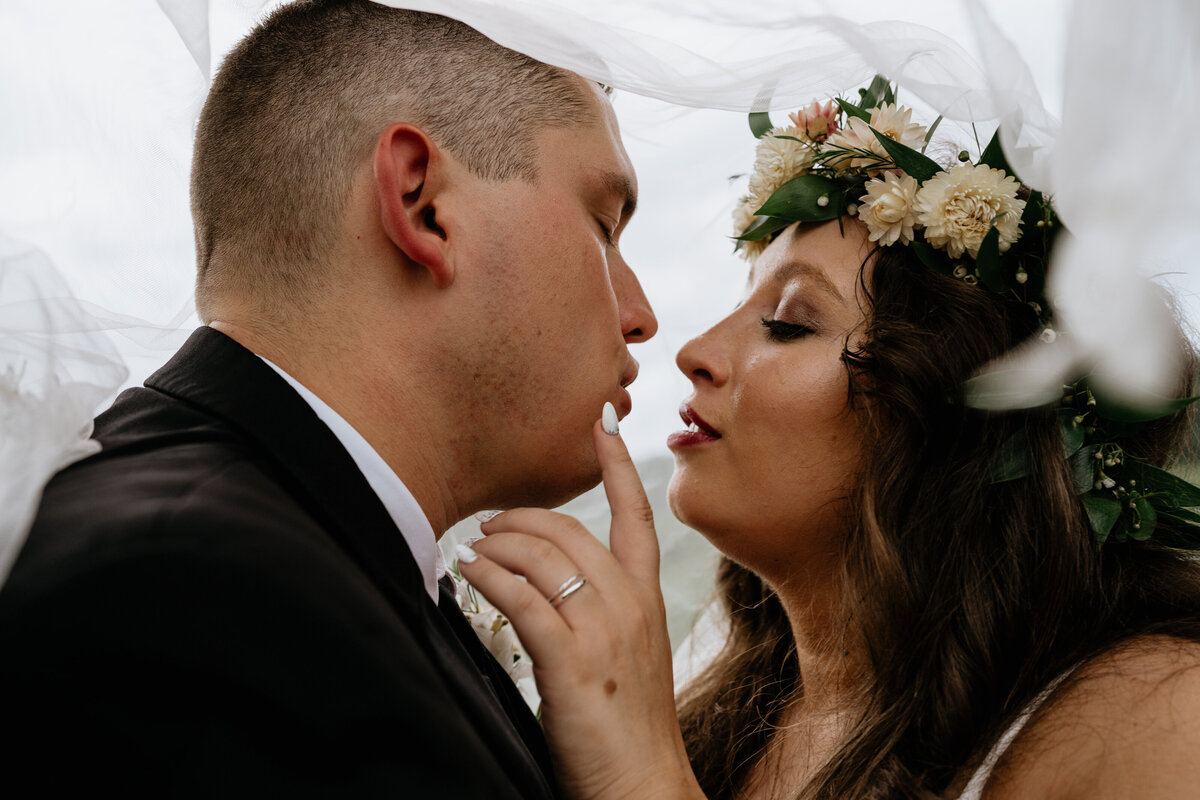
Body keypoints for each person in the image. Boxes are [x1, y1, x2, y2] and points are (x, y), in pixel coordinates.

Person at [458, 83, 1200, 799]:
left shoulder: (1158, 718)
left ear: (953, 413)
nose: (693, 351)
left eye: (787, 322)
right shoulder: (729, 716)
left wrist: (641, 780)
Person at [0, 0, 655, 796]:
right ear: (423, 204)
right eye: (604, 225)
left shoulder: (285, 551)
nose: (640, 315)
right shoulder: (195, 607)